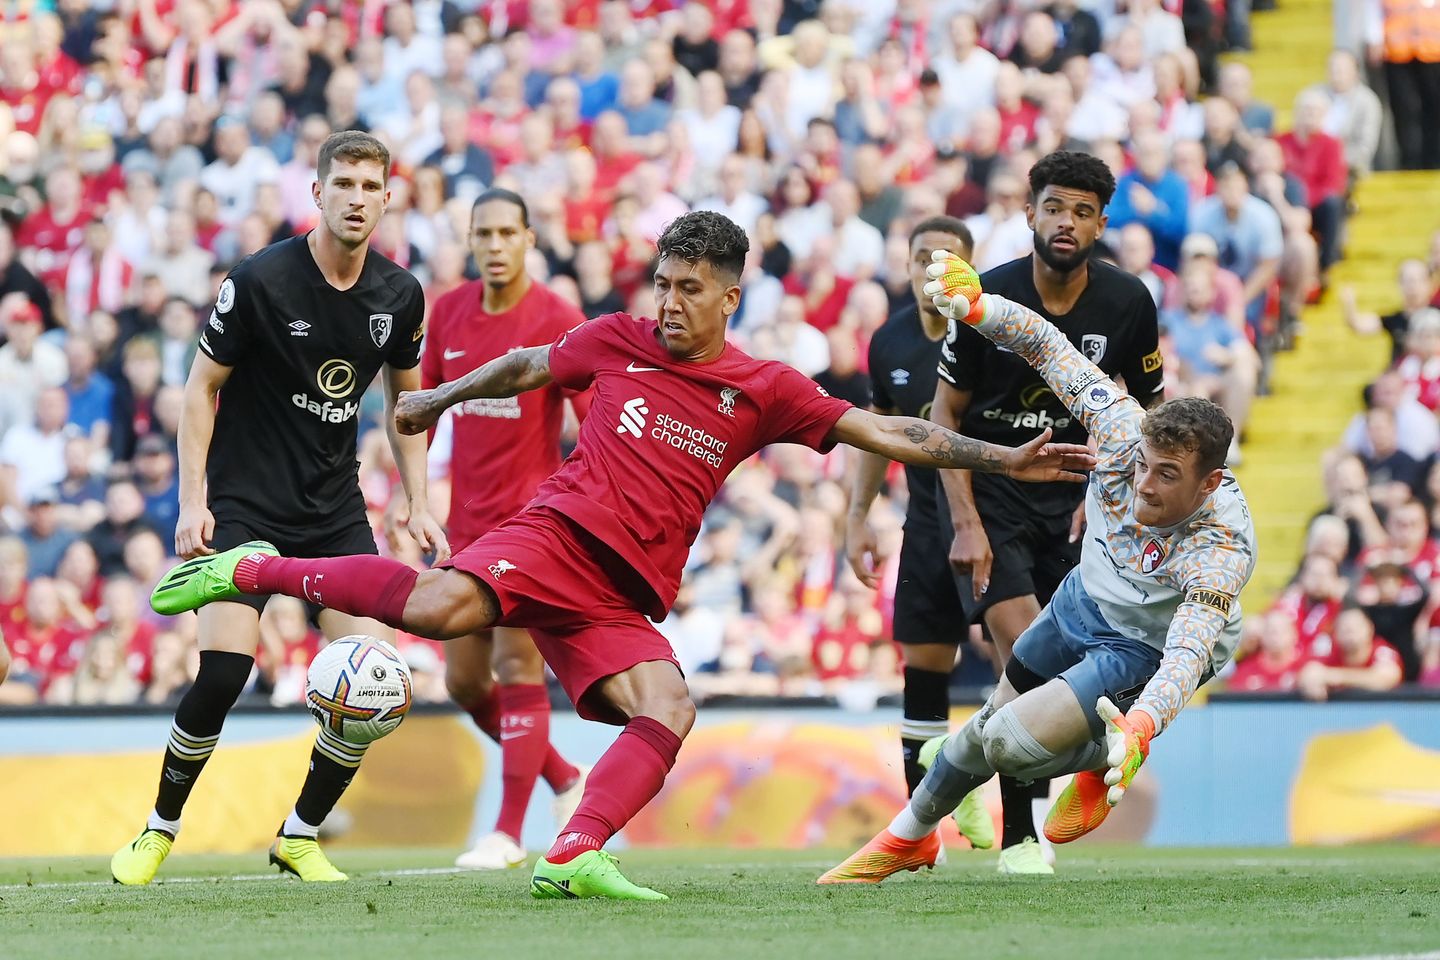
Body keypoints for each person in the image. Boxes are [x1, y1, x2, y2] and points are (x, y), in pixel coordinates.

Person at [148, 211, 1095, 901]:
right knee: (439, 614)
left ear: (731, 295)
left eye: (691, 290)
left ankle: (573, 853)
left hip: (620, 593)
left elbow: (891, 430)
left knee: (670, 707)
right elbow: (527, 366)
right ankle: (251, 569)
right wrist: (436, 401)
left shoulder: (762, 387)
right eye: (663, 285)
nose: (671, 305)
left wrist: (1002, 455)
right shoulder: (618, 341)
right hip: (557, 535)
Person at [821, 256, 1256, 884]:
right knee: (983, 729)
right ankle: (907, 837)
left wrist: (1141, 724)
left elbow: (1187, 655)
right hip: (1081, 599)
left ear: (1209, 483)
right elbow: (1048, 346)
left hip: (1144, 647)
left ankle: (1109, 750)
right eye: (1144, 465)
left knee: (1006, 745)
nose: (1144, 486)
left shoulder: (1222, 546)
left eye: (1167, 477)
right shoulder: (1122, 427)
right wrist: (977, 309)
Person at [110, 131, 444, 887]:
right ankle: (159, 829)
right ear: (317, 194)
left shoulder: (399, 295)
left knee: (373, 680)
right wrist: (193, 501)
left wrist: (419, 500)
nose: (357, 198)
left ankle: (298, 835)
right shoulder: (261, 280)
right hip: (245, 507)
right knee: (225, 674)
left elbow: (407, 404)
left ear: (388, 198)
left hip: (332, 513)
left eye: (371, 186)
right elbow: (200, 387)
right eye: (344, 184)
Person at [930, 151, 1165, 874]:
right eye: (1055, 207)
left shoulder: (1129, 304)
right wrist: (966, 522)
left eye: (1084, 211)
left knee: (1067, 667)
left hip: (1075, 496)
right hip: (991, 489)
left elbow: (1151, 420)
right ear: (1030, 212)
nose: (1067, 222)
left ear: (1101, 223)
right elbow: (945, 414)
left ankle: (959, 749)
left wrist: (1115, 504)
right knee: (1025, 650)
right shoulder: (988, 298)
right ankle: (1020, 838)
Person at [416, 187, 589, 870]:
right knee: (463, 683)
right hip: (463, 530)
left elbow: (596, 411)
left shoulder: (556, 318)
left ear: (528, 240)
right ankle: (564, 775)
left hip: (530, 530)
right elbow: (420, 409)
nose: (493, 246)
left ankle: (509, 833)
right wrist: (412, 498)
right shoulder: (450, 313)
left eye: (505, 234)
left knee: (518, 664)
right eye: (481, 234)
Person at [844, 214, 993, 850]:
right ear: (905, 268)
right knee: (924, 664)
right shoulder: (889, 342)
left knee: (1020, 652)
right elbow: (877, 432)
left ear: (968, 268)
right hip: (926, 517)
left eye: (946, 258)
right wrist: (857, 515)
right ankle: (917, 836)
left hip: (998, 515)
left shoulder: (996, 334)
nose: (931, 269)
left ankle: (1017, 821)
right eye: (921, 258)